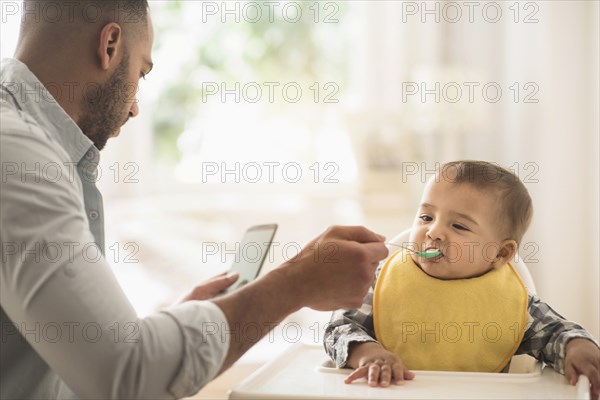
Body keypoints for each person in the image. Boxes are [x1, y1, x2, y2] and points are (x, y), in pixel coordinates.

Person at [0, 1, 389, 399]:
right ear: (110, 44)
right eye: (141, 73)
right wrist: (295, 284)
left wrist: (170, 329)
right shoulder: (18, 156)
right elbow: (126, 375)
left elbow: (81, 366)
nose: (134, 107)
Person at [324, 161, 600, 398]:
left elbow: (555, 332)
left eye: (458, 225)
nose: (434, 232)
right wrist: (366, 352)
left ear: (501, 253)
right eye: (426, 216)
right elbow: (339, 327)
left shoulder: (511, 303)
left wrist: (577, 347)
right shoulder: (382, 282)